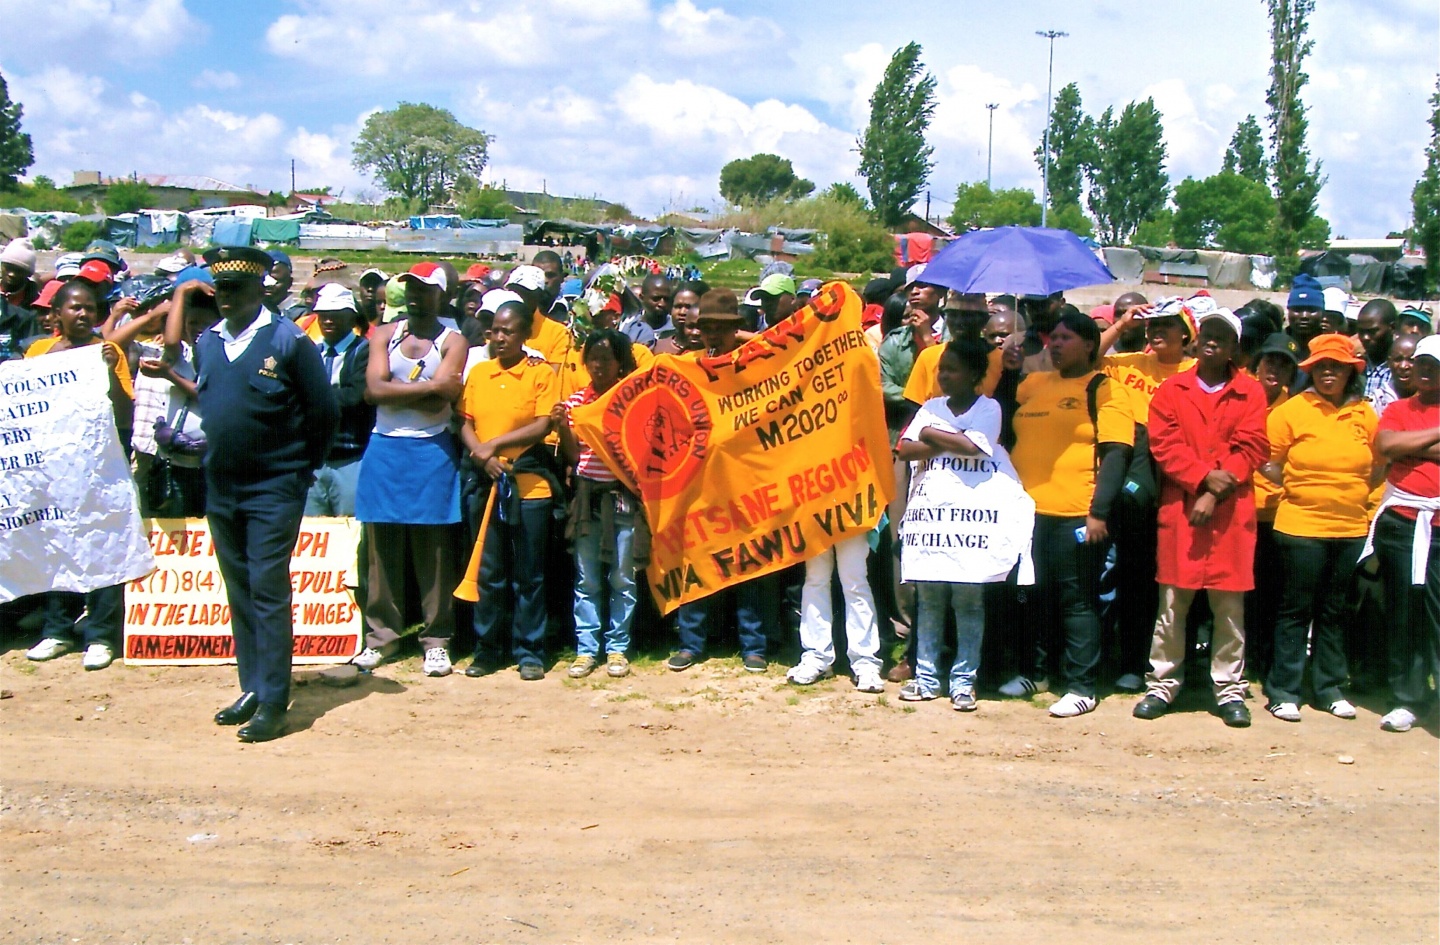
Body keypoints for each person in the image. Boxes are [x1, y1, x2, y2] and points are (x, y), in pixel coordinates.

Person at [190, 246, 337, 742]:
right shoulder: (208, 342)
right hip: (223, 486)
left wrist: (299, 471)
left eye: (234, 289)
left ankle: (275, 700)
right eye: (219, 290)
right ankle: (251, 685)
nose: (225, 298)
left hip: (275, 487)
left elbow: (322, 414)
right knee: (240, 590)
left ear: (260, 289)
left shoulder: (289, 341)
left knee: (269, 589)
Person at [1132, 310, 1268, 728]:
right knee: (1173, 604)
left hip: (1230, 514)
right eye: (1207, 333)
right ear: (1196, 340)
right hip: (1182, 511)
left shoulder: (1251, 392)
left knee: (1229, 607)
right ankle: (1162, 684)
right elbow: (1164, 444)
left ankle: (1228, 690)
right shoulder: (1172, 390)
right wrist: (1203, 479)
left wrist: (1213, 492)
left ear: (1234, 348)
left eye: (1222, 337)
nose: (1212, 341)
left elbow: (1253, 445)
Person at [1006, 308, 1134, 717]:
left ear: (1090, 345)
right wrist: (1008, 362)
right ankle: (1037, 673)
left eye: (1066, 338)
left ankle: (1082, 685)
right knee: (1033, 595)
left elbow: (1116, 455)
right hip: (1028, 513)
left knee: (1076, 600)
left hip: (1077, 514)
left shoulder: (1105, 389)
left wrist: (1099, 512)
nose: (1056, 345)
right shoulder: (1034, 384)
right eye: (1052, 338)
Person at [894, 336, 1029, 709]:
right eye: (941, 369)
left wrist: (929, 433)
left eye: (952, 369)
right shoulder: (931, 405)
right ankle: (926, 679)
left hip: (972, 525)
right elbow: (904, 449)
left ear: (975, 374)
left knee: (969, 602)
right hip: (932, 521)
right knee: (931, 601)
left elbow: (975, 447)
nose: (943, 376)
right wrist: (946, 438)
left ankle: (963, 681)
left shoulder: (989, 408)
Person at [353, 263, 467, 677]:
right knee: (382, 550)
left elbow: (445, 399)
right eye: (412, 289)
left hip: (431, 450)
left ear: (442, 295)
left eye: (426, 290)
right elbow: (372, 391)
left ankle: (436, 640)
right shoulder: (384, 333)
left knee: (433, 550)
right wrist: (428, 388)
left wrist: (393, 391)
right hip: (385, 447)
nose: (417, 296)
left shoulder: (454, 340)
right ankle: (381, 636)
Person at [1261, 333, 1380, 722]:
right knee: (1295, 609)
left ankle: (1329, 688)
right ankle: (1284, 691)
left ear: (1350, 371)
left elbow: (1379, 466)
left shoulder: (1365, 414)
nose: (1329, 372)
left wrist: (1367, 507)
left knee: (1333, 611)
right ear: (1311, 370)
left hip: (1350, 529)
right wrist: (1296, 489)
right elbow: (1268, 462)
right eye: (1322, 366)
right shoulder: (1291, 411)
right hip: (1300, 526)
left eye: (1337, 366)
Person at [22, 278, 135, 672]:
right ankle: (57, 630)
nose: (83, 314)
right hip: (52, 472)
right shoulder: (38, 352)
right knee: (57, 548)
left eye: (90, 307)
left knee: (101, 546)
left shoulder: (109, 353)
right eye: (75, 307)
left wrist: (107, 373)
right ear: (57, 314)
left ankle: (101, 635)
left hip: (100, 469)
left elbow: (125, 414)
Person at [1095, 296, 1199, 693]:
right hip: (1128, 466)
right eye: (1152, 326)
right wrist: (1121, 327)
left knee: (1158, 581)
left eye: (1167, 326)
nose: (1156, 333)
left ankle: (1147, 663)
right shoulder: (1132, 362)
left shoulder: (1195, 371)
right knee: (1123, 575)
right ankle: (1115, 659)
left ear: (1187, 335)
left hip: (1173, 476)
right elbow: (1091, 356)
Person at [667, 290, 773, 674]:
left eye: (721, 328)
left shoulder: (753, 363)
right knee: (695, 561)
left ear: (736, 329)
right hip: (699, 480)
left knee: (750, 564)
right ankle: (691, 643)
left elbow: (774, 345)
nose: (712, 334)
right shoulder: (686, 366)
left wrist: (741, 341)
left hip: (746, 479)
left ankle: (754, 646)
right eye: (705, 327)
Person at [459, 302, 561, 681]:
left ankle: (530, 650)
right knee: (489, 572)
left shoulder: (539, 374)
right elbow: (465, 421)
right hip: (487, 483)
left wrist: (495, 445)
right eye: (495, 331)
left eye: (509, 331)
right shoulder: (480, 373)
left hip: (528, 486)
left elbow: (541, 425)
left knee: (529, 573)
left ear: (525, 335)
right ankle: (487, 649)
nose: (500, 337)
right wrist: (481, 454)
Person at [553, 329, 642, 679]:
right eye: (592, 358)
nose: (598, 365)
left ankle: (617, 648)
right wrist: (563, 427)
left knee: (623, 577)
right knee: (587, 578)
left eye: (606, 358)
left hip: (622, 497)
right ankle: (586, 649)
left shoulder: (632, 399)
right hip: (588, 497)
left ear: (620, 362)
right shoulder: (577, 403)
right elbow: (574, 456)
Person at [1364, 334, 1440, 733]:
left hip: (1439, 525)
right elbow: (1386, 443)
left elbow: (1399, 447)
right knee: (1404, 613)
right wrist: (1432, 438)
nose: (1425, 370)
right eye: (1421, 363)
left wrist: (1411, 447)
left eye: (1434, 365)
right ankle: (1406, 697)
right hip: (1403, 523)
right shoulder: (1397, 408)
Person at [1244, 332, 1301, 680]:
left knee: (1271, 593)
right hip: (1239, 511)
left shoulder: (1293, 408)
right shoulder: (1241, 397)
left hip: (1277, 514)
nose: (1275, 370)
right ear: (1258, 363)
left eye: (1284, 365)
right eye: (1271, 361)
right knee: (1239, 593)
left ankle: (1262, 660)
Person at [306, 284, 374, 517]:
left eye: (334, 316)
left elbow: (355, 396)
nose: (327, 321)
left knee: (350, 529)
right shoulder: (311, 351)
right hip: (315, 459)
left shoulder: (364, 351)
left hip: (351, 456)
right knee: (312, 531)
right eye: (323, 316)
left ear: (351, 316)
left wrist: (313, 398)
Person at [619, 273, 676, 348]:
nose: (662, 304)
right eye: (656, 299)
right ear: (642, 298)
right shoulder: (629, 328)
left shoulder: (677, 331)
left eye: (667, 299)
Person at [1284, 274, 1325, 358]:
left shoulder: (1330, 346)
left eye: (1312, 310)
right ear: (1288, 311)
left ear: (1323, 313)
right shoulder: (1277, 344)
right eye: (1297, 310)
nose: (1304, 316)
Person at [1, 237, 40, 309]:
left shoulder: (34, 302)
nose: (12, 274)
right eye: (8, 267)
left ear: (29, 274)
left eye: (19, 271)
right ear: (1, 266)